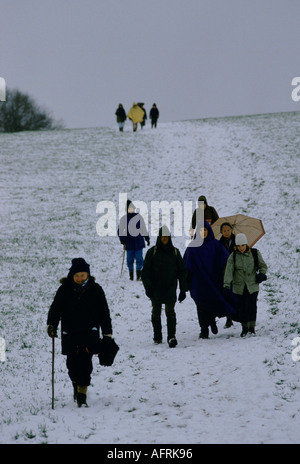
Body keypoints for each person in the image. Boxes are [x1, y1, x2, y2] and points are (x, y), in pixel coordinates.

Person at [46, 258, 115, 407]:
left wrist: (107, 334)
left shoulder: (96, 289)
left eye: (82, 275)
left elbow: (104, 312)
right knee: (72, 365)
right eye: (77, 276)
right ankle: (75, 384)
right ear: (72, 276)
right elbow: (55, 309)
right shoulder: (64, 289)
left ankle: (82, 394)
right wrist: (51, 325)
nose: (79, 279)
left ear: (88, 275)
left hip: (89, 333)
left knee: (85, 364)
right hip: (69, 333)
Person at [183, 221, 236, 339]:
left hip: (213, 280)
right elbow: (186, 265)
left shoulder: (216, 245)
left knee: (211, 302)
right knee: (201, 305)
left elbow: (225, 260)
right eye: (201, 231)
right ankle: (204, 329)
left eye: (205, 230)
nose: (204, 233)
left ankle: (211, 322)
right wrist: (186, 283)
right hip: (198, 283)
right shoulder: (192, 247)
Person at [141, 226, 188, 347]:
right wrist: (148, 286)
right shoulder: (152, 252)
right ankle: (157, 336)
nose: (165, 239)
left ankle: (171, 337)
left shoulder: (175, 252)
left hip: (170, 288)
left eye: (167, 237)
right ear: (159, 237)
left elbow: (182, 272)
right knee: (156, 313)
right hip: (155, 289)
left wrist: (183, 289)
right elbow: (145, 271)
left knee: (170, 312)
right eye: (163, 237)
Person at [223, 233, 267, 337]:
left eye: (242, 245)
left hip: (252, 285)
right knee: (242, 308)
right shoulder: (233, 257)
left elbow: (263, 266)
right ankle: (244, 328)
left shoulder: (255, 253)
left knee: (252, 306)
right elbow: (229, 271)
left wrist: (261, 274)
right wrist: (226, 285)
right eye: (238, 246)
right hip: (239, 287)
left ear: (246, 244)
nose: (241, 248)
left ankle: (251, 328)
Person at [118, 200, 150, 281]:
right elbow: (120, 230)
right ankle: (131, 275)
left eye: (132, 208)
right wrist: (122, 240)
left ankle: (139, 276)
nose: (131, 210)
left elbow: (143, 228)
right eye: (129, 208)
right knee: (130, 260)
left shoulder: (139, 217)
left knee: (139, 259)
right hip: (129, 244)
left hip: (138, 242)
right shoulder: (124, 219)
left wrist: (147, 238)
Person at [219, 222, 236, 328]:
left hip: (237, 271)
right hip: (225, 271)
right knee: (227, 294)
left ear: (231, 230)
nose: (226, 232)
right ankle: (229, 318)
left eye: (228, 230)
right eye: (224, 231)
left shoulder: (238, 241)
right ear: (221, 232)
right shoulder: (219, 243)